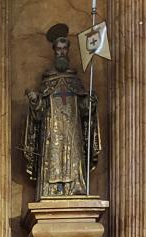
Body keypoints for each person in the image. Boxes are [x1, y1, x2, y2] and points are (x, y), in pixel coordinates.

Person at [21, 23, 101, 197]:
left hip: (73, 136)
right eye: (59, 49)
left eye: (65, 49)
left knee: (74, 158)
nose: (62, 52)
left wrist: (89, 102)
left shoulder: (75, 81)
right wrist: (35, 101)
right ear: (54, 51)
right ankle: (51, 191)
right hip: (52, 136)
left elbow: (84, 111)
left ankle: (75, 188)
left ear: (68, 51)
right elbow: (40, 113)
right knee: (52, 158)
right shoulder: (48, 82)